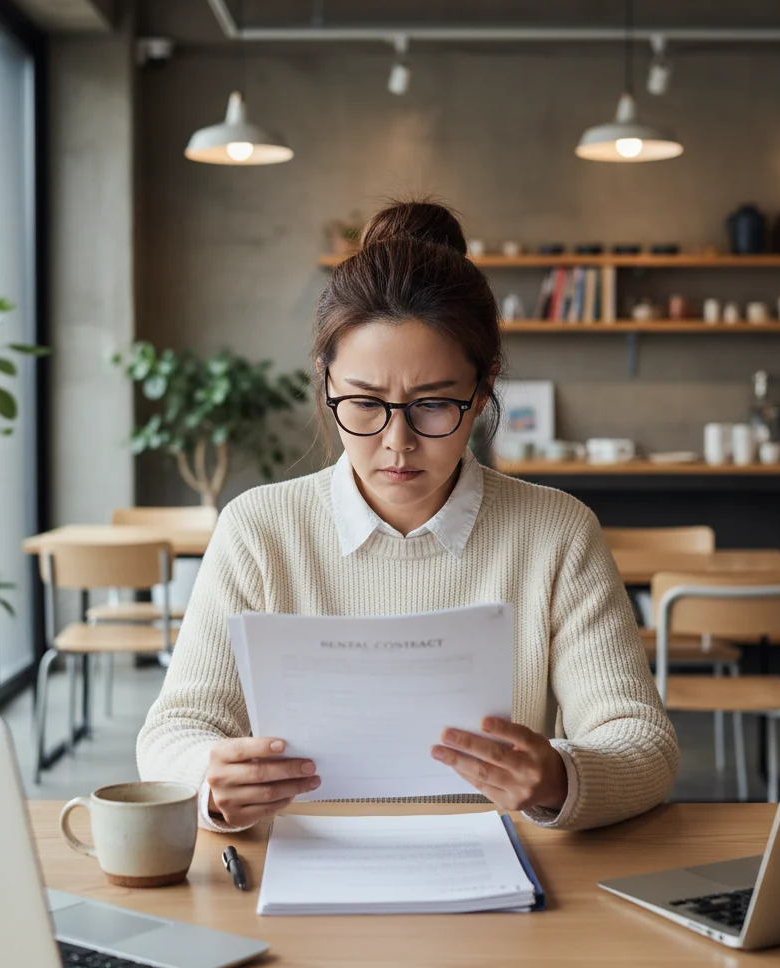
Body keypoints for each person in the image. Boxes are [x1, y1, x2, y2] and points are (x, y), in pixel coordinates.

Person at [137, 199, 679, 833]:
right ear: (326, 381)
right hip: (303, 865)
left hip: (500, 878)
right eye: (365, 404)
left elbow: (643, 741)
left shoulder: (556, 533)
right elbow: (172, 732)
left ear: (482, 391)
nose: (398, 442)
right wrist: (212, 781)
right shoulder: (258, 531)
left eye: (433, 405)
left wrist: (559, 777)